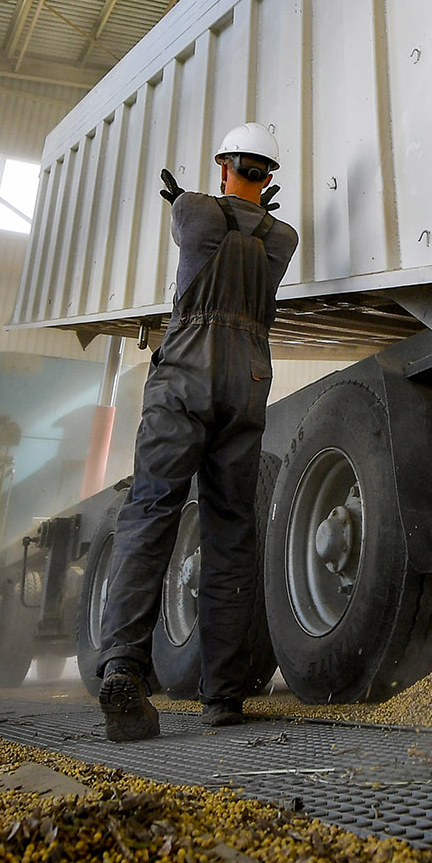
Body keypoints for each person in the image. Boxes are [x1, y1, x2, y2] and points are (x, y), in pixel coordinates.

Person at [97, 122, 299, 741]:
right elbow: (247, 227)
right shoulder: (281, 236)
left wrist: (194, 196)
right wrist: (252, 207)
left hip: (185, 376)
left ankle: (124, 670)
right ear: (268, 177)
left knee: (152, 513)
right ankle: (223, 698)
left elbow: (199, 227)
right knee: (231, 533)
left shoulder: (190, 208)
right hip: (246, 382)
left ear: (223, 165)